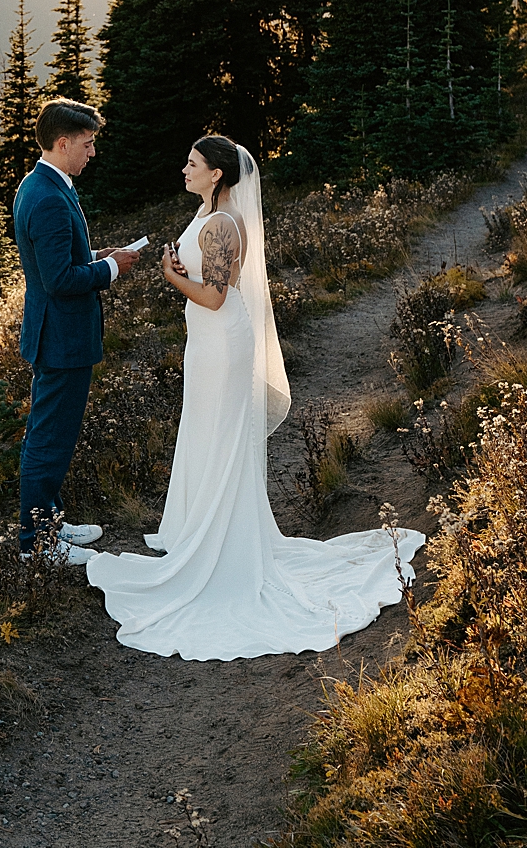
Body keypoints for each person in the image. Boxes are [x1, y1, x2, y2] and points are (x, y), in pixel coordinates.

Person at [85, 135, 425, 660]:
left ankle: (223, 547)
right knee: (205, 433)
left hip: (222, 341)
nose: (185, 168)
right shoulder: (205, 215)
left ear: (217, 174)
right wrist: (180, 266)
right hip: (205, 342)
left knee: (221, 437)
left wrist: (173, 277)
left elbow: (217, 297)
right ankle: (202, 528)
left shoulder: (223, 224)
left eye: (193, 163)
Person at [14, 99, 139, 562]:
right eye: (87, 145)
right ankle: (37, 545)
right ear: (62, 143)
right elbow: (59, 281)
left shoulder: (45, 183)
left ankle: (52, 524)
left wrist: (94, 258)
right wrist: (110, 268)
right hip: (61, 338)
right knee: (48, 438)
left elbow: (62, 264)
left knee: (56, 434)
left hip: (61, 334)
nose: (92, 153)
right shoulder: (46, 196)